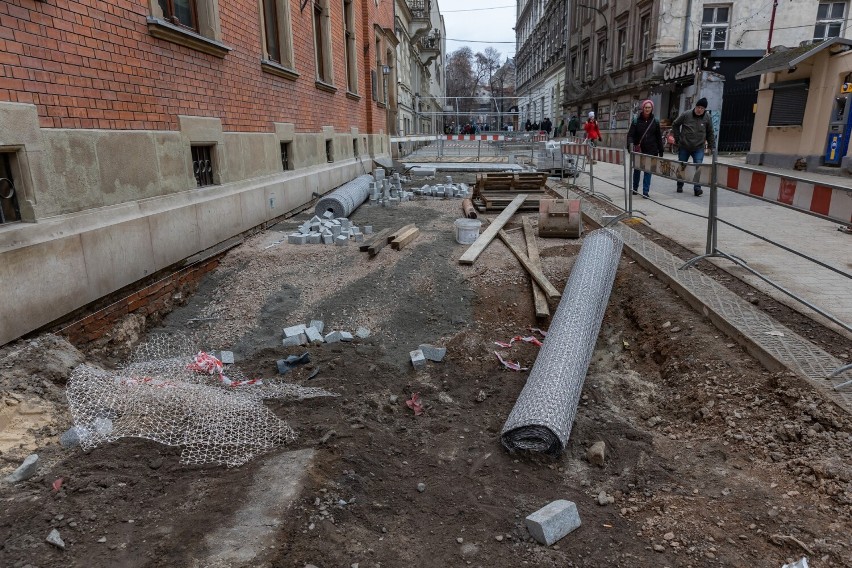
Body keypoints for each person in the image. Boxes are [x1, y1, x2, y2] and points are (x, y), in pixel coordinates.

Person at [672, 97, 715, 196]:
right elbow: (675, 124)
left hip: (698, 147)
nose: (700, 110)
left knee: (698, 166)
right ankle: (679, 185)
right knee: (682, 166)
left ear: (705, 109)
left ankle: (697, 188)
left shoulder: (707, 118)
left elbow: (710, 133)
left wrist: (712, 146)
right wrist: (678, 139)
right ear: (695, 106)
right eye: (698, 107)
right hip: (684, 146)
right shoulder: (686, 114)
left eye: (702, 108)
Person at [626, 99, 664, 199]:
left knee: (648, 171)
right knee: (637, 170)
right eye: (646, 107)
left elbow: (658, 137)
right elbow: (630, 135)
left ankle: (645, 191)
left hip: (651, 150)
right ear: (643, 108)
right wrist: (630, 145)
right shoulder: (636, 120)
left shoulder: (655, 121)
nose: (647, 109)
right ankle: (634, 188)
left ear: (652, 109)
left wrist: (661, 150)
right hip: (639, 150)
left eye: (649, 107)